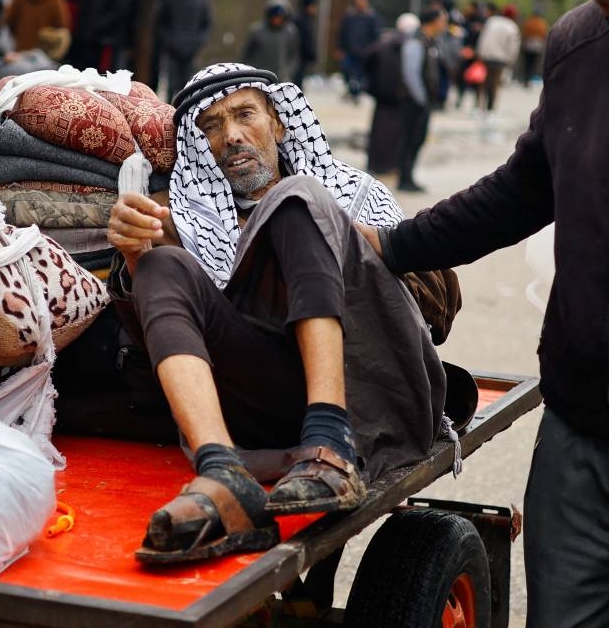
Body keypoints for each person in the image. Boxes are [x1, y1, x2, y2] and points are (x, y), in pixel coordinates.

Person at [358, 0, 609, 624]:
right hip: (578, 441)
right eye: (604, 5)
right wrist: (394, 247)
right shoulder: (578, 45)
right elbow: (524, 188)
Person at [107, 63, 447, 564]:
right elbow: (155, 334)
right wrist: (135, 255)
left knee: (297, 200)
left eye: (246, 114)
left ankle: (330, 440)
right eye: (212, 126)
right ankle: (222, 470)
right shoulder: (181, 218)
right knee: (159, 263)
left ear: (281, 123)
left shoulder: (352, 194)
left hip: (366, 390)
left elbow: (435, 311)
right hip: (262, 403)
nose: (232, 136)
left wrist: (338, 242)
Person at [397, 8, 448, 192]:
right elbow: (411, 73)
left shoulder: (430, 42)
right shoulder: (416, 41)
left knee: (418, 139)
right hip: (414, 101)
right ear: (432, 21)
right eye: (443, 20)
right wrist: (421, 99)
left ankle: (408, 176)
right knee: (410, 139)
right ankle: (404, 178)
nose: (444, 25)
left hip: (424, 101)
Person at [363, 13, 417, 176]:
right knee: (395, 132)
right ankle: (390, 165)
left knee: (379, 130)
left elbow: (367, 60)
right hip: (398, 95)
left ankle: (376, 164)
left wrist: (372, 82)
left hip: (381, 94)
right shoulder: (409, 44)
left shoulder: (383, 42)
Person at [158, 0, 212, 100]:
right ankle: (168, 112)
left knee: (189, 86)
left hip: (192, 50)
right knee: (170, 85)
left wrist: (199, 42)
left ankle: (186, 113)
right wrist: (168, 41)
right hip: (172, 49)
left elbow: (206, 23)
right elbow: (162, 21)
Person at [336, 0, 381, 103]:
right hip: (349, 51)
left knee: (361, 75)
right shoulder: (349, 15)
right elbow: (342, 33)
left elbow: (376, 35)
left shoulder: (371, 17)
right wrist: (339, 48)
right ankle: (351, 90)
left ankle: (356, 93)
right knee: (347, 71)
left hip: (365, 52)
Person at [242, 0, 301, 83]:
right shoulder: (257, 31)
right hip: (258, 76)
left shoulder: (290, 32)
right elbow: (246, 55)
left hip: (280, 78)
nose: (277, 20)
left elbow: (294, 56)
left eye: (280, 17)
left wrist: (288, 73)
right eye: (274, 17)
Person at [476, 3, 520, 113]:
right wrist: (511, 59)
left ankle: (479, 106)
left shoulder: (492, 21)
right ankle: (490, 108)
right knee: (494, 84)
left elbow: (483, 37)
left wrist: (480, 52)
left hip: (486, 55)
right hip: (500, 58)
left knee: (484, 82)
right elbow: (513, 46)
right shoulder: (512, 26)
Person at [292, 0, 318, 89]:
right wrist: (310, 53)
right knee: (297, 82)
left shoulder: (306, 20)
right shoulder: (300, 20)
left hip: (302, 58)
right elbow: (304, 40)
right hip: (298, 57)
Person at [520, 8, 549, 86]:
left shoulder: (529, 22)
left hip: (528, 44)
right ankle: (528, 79)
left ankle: (526, 79)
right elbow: (544, 35)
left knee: (527, 63)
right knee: (533, 63)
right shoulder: (542, 23)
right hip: (537, 46)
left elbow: (524, 33)